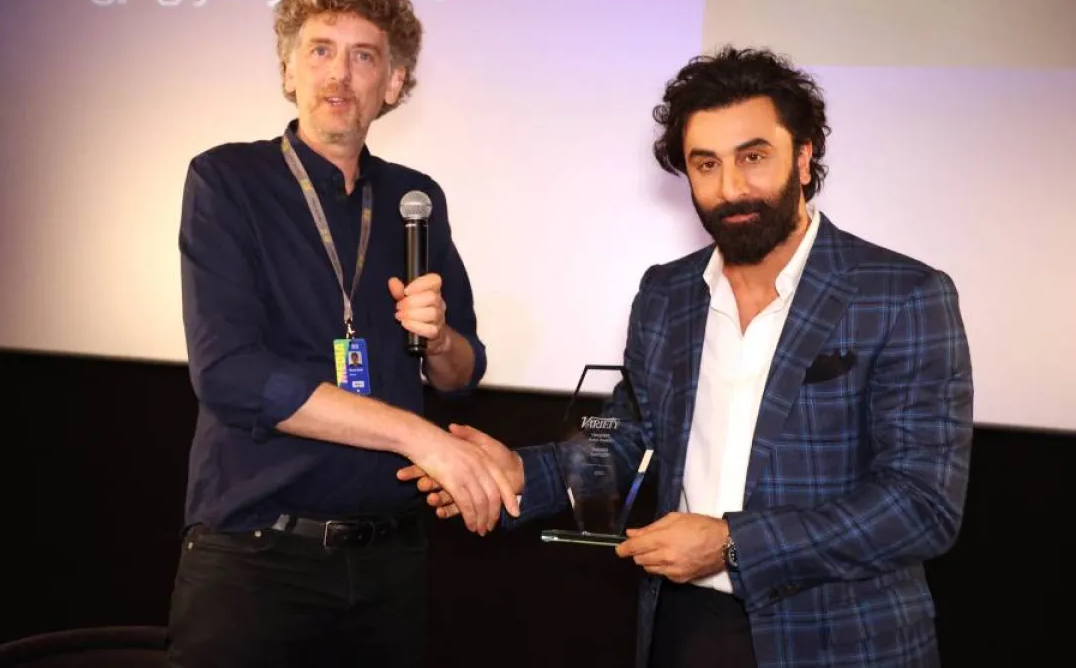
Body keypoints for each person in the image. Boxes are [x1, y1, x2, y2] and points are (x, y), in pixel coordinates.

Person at [400, 46, 974, 667]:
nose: (731, 188)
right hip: (685, 631)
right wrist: (518, 472)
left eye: (753, 157)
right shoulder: (667, 293)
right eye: (706, 165)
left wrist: (733, 544)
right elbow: (627, 440)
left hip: (842, 639)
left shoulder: (901, 294)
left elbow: (921, 506)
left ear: (804, 157)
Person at [166, 0, 520, 668]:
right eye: (321, 49)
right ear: (288, 70)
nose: (340, 73)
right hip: (258, 559)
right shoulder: (228, 181)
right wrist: (421, 438)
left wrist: (439, 336)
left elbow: (462, 372)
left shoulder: (416, 198)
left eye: (364, 55)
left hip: (389, 567)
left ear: (393, 83)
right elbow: (231, 375)